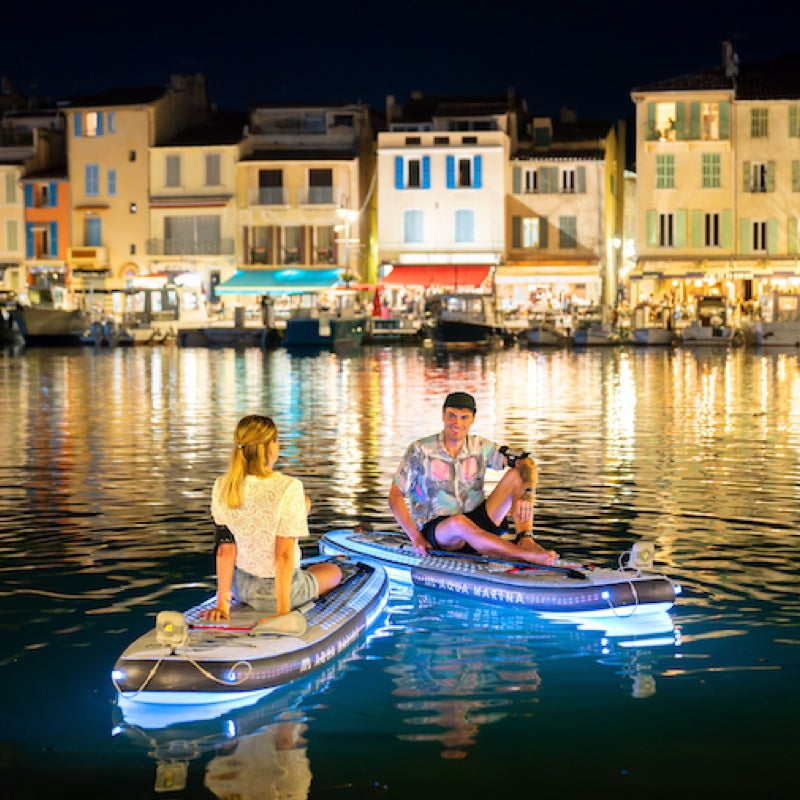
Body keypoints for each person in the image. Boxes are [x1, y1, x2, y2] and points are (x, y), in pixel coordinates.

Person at [388, 392, 559, 566]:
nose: (457, 423)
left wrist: (528, 493)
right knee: (458, 522)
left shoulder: (481, 447)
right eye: (452, 416)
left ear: (473, 419)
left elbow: (525, 461)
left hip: (476, 521)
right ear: (443, 415)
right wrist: (415, 537)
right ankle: (525, 556)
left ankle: (525, 540)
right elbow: (395, 496)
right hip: (439, 531)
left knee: (518, 474)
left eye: (464, 417)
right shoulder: (419, 450)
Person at [202, 414, 342, 624]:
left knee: (311, 566)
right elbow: (283, 554)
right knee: (334, 571)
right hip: (284, 592)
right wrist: (282, 612)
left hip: (242, 588)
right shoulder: (288, 487)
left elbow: (225, 550)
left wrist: (222, 604)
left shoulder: (223, 485)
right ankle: (287, 604)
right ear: (270, 446)